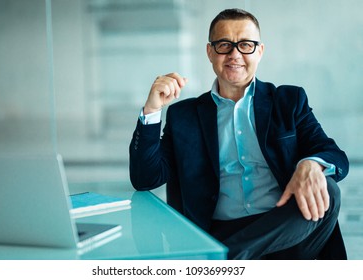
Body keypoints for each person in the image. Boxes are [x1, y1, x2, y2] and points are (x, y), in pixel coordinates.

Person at [129, 8, 349, 259]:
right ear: (210, 52)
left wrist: (311, 164)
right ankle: (229, 259)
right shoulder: (184, 116)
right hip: (219, 232)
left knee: (328, 189)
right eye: (224, 45)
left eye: (245, 45)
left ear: (260, 51)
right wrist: (152, 110)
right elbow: (145, 178)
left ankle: (222, 263)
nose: (235, 54)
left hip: (286, 231)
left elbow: (335, 156)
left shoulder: (288, 101)